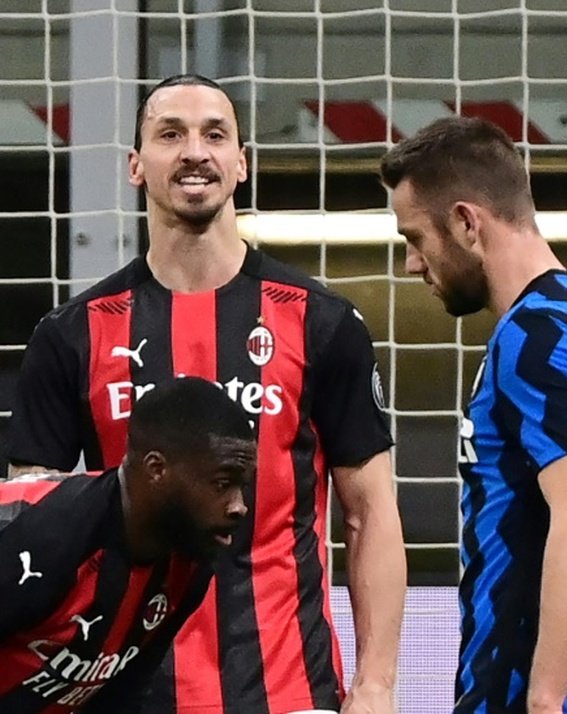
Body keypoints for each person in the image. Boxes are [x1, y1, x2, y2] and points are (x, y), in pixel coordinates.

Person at [6, 74, 405, 714]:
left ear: (241, 163)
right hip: (129, 697)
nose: (195, 151)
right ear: (137, 166)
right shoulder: (70, 335)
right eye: (171, 134)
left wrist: (376, 685)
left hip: (289, 692)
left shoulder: (322, 322)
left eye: (215, 134)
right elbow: (31, 534)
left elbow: (370, 515)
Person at [380, 116, 567, 713]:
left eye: (415, 238)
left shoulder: (532, 336)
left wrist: (545, 699)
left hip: (550, 690)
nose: (411, 263)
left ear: (464, 222)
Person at [0, 376, 255, 713]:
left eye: (242, 486)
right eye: (223, 483)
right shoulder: (39, 536)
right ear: (156, 469)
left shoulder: (189, 563)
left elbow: (121, 696)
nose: (240, 506)